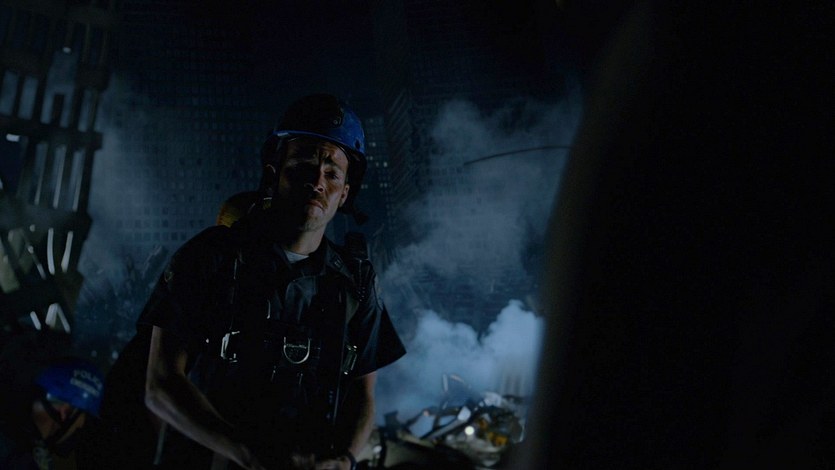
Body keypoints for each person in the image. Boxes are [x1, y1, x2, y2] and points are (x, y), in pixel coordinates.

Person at [113, 94, 405, 470]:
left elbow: (364, 393)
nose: (317, 182)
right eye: (303, 165)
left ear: (345, 193)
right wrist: (248, 454)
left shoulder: (355, 281)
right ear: (273, 173)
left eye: (332, 173)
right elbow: (160, 384)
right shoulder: (210, 258)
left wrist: (345, 461)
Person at [0, 356, 104, 470]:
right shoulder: (16, 457)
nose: (81, 428)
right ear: (65, 411)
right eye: (84, 421)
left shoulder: (29, 452)